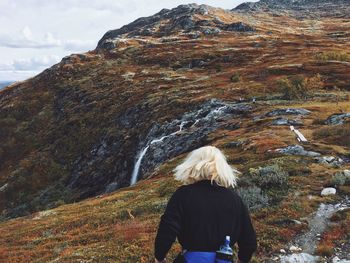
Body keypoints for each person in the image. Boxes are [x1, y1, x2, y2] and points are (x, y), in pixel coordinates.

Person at [154, 145, 257, 263]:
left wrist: (159, 257)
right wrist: (242, 260)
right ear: (222, 168)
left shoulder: (183, 195)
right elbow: (249, 241)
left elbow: (167, 230)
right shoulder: (234, 199)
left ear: (192, 165)